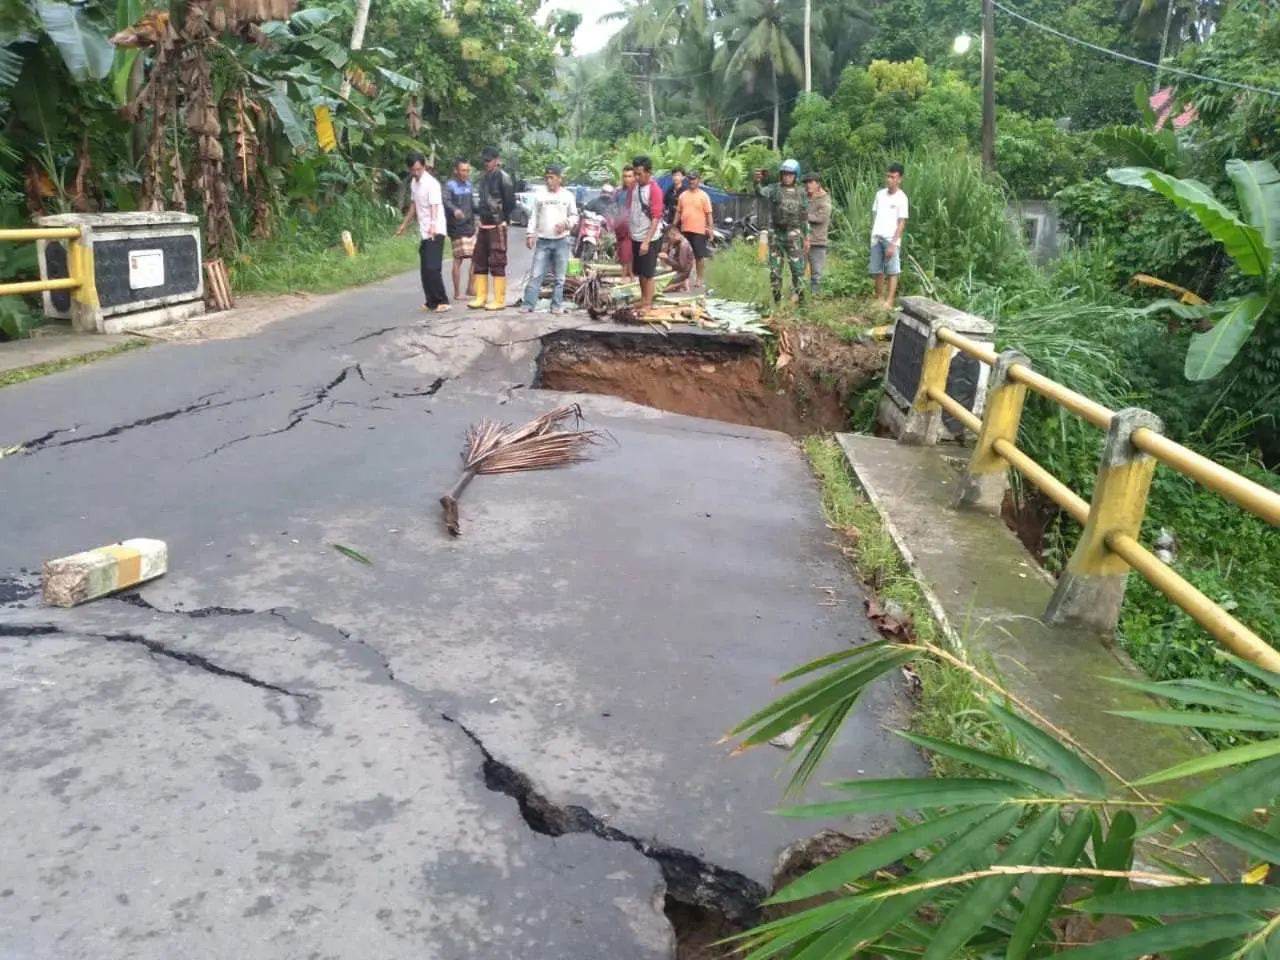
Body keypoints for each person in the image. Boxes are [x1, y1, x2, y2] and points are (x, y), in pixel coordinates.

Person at [395, 151, 449, 313]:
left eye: (419, 169)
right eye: (413, 170)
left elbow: (435, 206)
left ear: (424, 167)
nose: (416, 172)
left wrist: (432, 225)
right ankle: (431, 301)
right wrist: (404, 224)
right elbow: (414, 206)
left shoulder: (431, 184)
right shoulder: (414, 183)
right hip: (424, 230)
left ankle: (443, 301)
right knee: (425, 269)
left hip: (436, 229)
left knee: (433, 267)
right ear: (410, 169)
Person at [521, 163, 577, 314]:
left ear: (560, 179)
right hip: (543, 240)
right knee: (536, 274)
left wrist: (566, 224)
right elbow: (534, 216)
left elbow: (574, 216)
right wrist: (530, 234)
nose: (549, 181)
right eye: (547, 178)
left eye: (552, 178)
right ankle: (528, 304)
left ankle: (556, 305)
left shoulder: (567, 195)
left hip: (561, 241)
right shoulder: (540, 195)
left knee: (560, 277)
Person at [754, 159, 809, 305]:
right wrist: (757, 181)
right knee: (775, 271)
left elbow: (804, 216)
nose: (787, 177)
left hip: (794, 235)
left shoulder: (801, 193)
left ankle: (801, 302)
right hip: (776, 235)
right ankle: (777, 301)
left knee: (798, 271)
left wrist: (807, 237)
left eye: (790, 175)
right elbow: (760, 193)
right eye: (784, 174)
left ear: (796, 176)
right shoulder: (774, 189)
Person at [469, 145, 517, 311]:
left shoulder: (504, 178)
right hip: (483, 223)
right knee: (479, 259)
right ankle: (481, 297)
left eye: (489, 160)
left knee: (497, 260)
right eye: (485, 160)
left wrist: (502, 218)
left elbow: (510, 203)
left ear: (497, 161)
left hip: (497, 224)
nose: (486, 163)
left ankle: (499, 299)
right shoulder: (484, 178)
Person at [624, 155, 666, 314]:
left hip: (649, 237)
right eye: (635, 173)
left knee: (648, 273)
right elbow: (630, 209)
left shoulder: (654, 190)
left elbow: (656, 218)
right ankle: (644, 299)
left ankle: (648, 303)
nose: (636, 177)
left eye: (639, 174)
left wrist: (646, 241)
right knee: (640, 271)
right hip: (635, 235)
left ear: (649, 173)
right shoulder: (634, 187)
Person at [870, 161, 909, 309]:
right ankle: (879, 299)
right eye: (887, 176)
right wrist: (873, 232)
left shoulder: (902, 198)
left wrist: (893, 243)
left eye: (893, 177)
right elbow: (874, 215)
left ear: (899, 179)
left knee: (892, 270)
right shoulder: (880, 195)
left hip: (891, 238)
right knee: (877, 270)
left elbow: (901, 222)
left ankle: (890, 300)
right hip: (876, 237)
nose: (889, 180)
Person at [443, 158, 477, 301]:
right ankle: (457, 293)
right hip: (456, 227)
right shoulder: (449, 185)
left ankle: (470, 288)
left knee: (476, 257)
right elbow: (446, 201)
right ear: (456, 171)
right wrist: (455, 210)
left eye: (468, 170)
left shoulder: (469, 185)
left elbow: (472, 206)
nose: (466, 173)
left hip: (469, 226)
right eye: (463, 170)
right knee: (459, 259)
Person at [675, 170, 714, 289]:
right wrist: (673, 227)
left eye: (694, 179)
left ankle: (699, 279)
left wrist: (710, 229)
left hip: (698, 230)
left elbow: (709, 214)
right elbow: (678, 212)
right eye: (690, 179)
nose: (692, 181)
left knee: (699, 256)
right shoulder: (683, 195)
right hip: (684, 229)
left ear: (698, 180)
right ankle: (683, 280)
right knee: (683, 256)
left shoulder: (703, 195)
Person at [803, 172, 831, 296]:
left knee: (816, 274)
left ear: (817, 184)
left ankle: (815, 298)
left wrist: (802, 216)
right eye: (806, 182)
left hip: (818, 241)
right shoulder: (803, 197)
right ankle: (799, 296)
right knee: (798, 271)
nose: (808, 185)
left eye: (811, 182)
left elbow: (821, 217)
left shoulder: (824, 199)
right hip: (801, 240)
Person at [659, 224, 695, 293]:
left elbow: (682, 267)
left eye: (668, 238)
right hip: (676, 269)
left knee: (661, 289)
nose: (668, 240)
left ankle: (681, 283)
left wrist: (667, 258)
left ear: (673, 234)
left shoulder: (683, 245)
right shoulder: (675, 242)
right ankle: (679, 284)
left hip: (683, 272)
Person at [615, 166, 636, 280]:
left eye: (629, 176)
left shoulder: (637, 192)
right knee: (623, 252)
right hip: (621, 226)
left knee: (628, 251)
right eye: (625, 176)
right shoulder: (619, 192)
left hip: (634, 226)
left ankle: (627, 275)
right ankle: (629, 275)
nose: (627, 179)